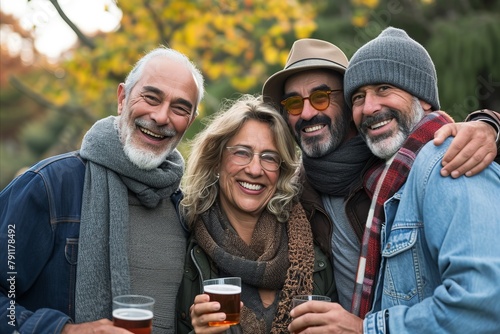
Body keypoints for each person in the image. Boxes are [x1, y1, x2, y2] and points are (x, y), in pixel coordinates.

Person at [261, 37, 500, 311]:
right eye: (292, 103)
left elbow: (483, 300)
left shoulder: (410, 164)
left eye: (320, 97)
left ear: (348, 106)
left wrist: (488, 124)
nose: (305, 113)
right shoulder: (292, 190)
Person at [0, 46, 205, 333]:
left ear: (190, 122)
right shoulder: (49, 186)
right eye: (151, 98)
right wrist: (64, 330)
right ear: (122, 98)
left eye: (180, 108)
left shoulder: (184, 210)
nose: (161, 117)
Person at [175, 94, 336, 334]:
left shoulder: (312, 253)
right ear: (217, 160)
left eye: (269, 158)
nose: (254, 169)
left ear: (281, 171)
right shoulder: (185, 252)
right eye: (241, 152)